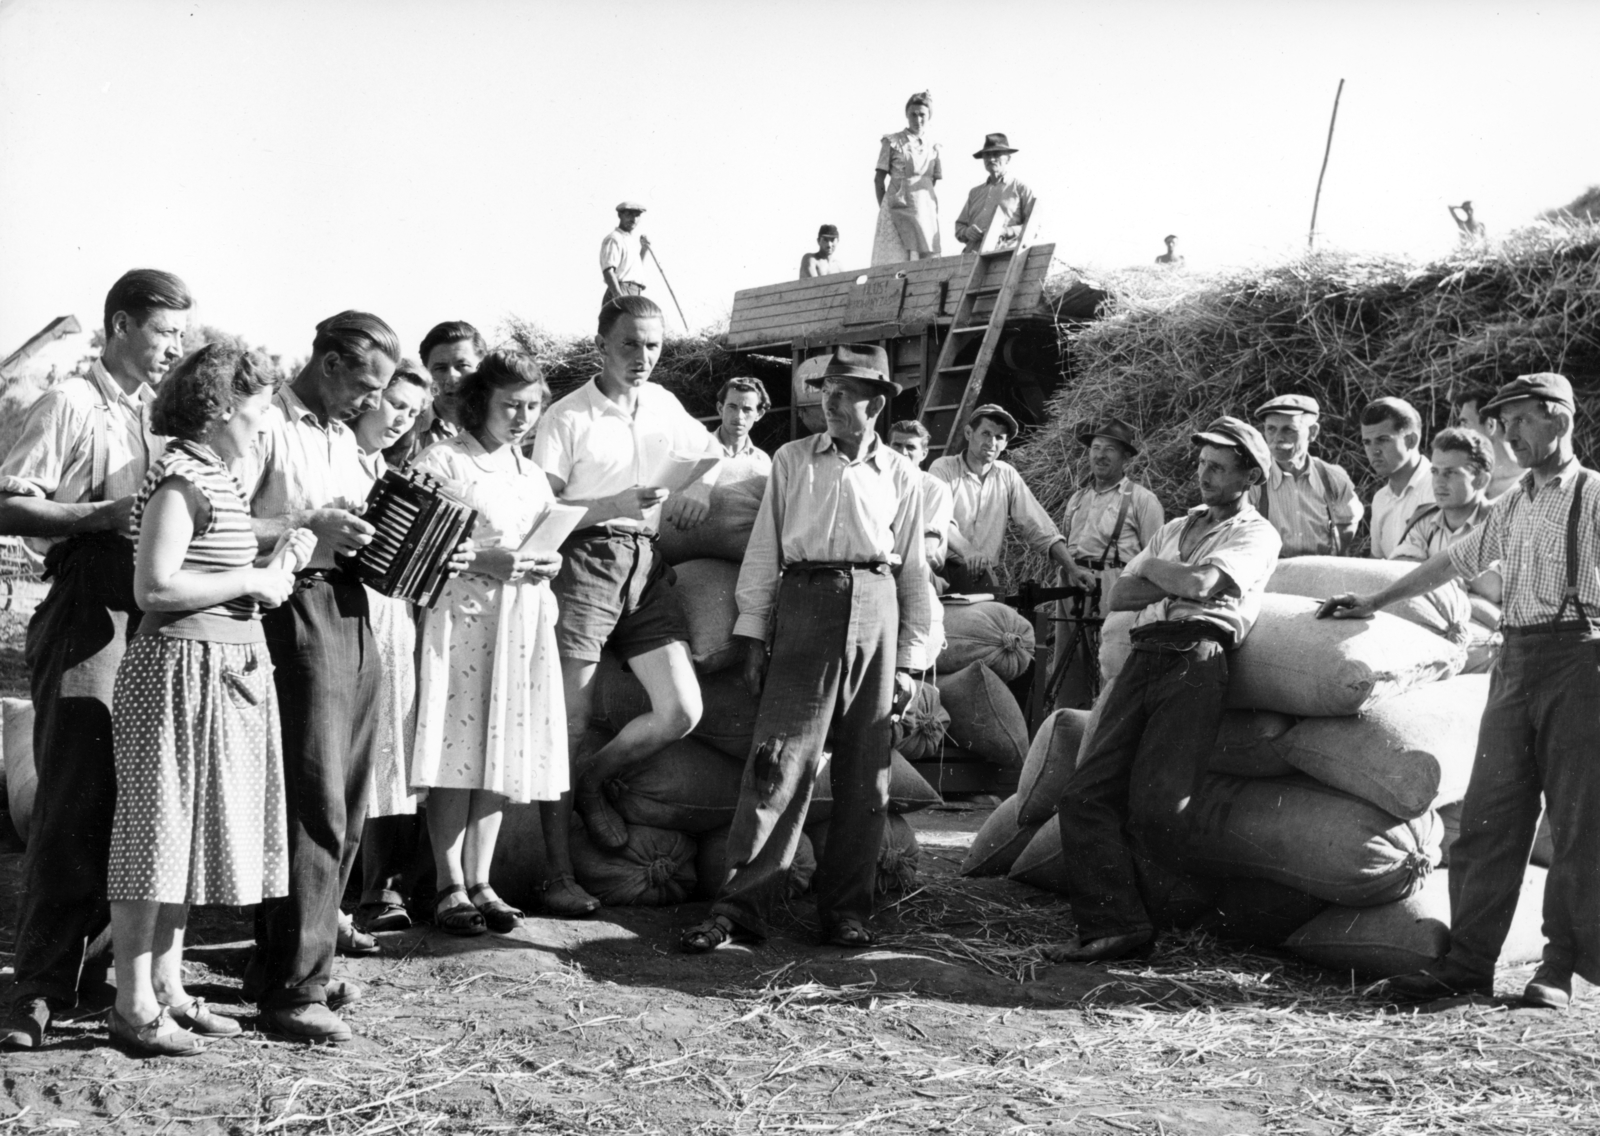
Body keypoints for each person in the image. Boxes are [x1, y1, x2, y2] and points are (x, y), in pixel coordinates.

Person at [1319, 374, 1598, 1010]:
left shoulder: (1592, 494)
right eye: (1504, 424)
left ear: (1559, 420)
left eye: (1523, 420)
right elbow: (1454, 562)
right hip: (1514, 659)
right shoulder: (1515, 503)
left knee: (1579, 823)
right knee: (1489, 818)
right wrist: (1377, 598)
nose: (1510, 435)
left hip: (1580, 660)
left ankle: (1559, 967)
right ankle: (1470, 964)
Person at [681, 344, 932, 953]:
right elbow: (765, 549)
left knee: (864, 774)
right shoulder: (794, 459)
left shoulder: (902, 474)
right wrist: (751, 633)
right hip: (805, 603)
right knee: (778, 760)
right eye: (826, 391)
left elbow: (915, 572)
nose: (830, 401)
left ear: (876, 402)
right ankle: (740, 908)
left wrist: (910, 662)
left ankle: (845, 910)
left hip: (876, 605)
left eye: (844, 392)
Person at [0, 268, 192, 1052]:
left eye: (180, 336)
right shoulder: (71, 403)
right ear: (118, 325)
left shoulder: (150, 415)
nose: (170, 348)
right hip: (84, 601)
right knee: (71, 797)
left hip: (144, 608)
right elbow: (9, 503)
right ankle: (36, 989)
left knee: (126, 802)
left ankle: (97, 977)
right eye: (160, 333)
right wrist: (101, 513)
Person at [104, 344, 313, 1056]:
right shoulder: (181, 478)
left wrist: (276, 567)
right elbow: (154, 590)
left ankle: (168, 989)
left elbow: (218, 572)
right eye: (257, 409)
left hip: (218, 669)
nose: (264, 423)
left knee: (181, 840)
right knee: (153, 837)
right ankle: (131, 1004)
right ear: (222, 407)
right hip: (177, 670)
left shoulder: (216, 474)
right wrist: (252, 583)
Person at [1046, 417, 1280, 962]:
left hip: (1198, 657)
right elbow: (1120, 595)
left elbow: (1199, 586)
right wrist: (1161, 575)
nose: (1205, 476)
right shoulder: (1177, 525)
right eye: (1201, 465)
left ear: (1249, 477)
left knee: (1157, 806)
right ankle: (1116, 923)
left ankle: (1165, 918)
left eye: (1220, 468)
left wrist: (1153, 566)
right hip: (1146, 651)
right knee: (1084, 793)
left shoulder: (1255, 533)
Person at [243, 311, 401, 1045]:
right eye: (364, 384)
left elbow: (357, 534)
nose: (371, 403)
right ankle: (292, 987)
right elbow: (214, 523)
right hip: (290, 609)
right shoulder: (266, 421)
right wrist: (308, 525)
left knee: (351, 795)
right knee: (312, 798)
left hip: (352, 608)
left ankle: (295, 960)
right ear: (330, 362)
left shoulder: (343, 438)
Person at [531, 294, 717, 914]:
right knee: (570, 723)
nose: (643, 357)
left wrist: (700, 489)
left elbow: (711, 454)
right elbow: (540, 514)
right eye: (631, 344)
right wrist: (613, 505)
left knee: (682, 709)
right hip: (585, 563)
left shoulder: (664, 403)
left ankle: (591, 781)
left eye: (654, 345)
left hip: (647, 563)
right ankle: (558, 876)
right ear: (601, 346)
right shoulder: (566, 417)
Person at [411, 351, 567, 936]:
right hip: (465, 619)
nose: (523, 416)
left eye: (532, 406)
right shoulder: (446, 461)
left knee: (504, 747)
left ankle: (482, 881)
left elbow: (545, 537)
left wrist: (547, 559)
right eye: (511, 405)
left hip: (521, 620)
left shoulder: (530, 473)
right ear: (481, 401)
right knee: (458, 749)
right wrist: (488, 559)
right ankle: (448, 884)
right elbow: (415, 547)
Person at [349, 362, 431, 935]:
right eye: (393, 404)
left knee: (385, 755)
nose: (400, 419)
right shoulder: (335, 454)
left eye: (410, 411)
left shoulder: (386, 469)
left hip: (390, 617)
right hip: (342, 616)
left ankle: (375, 890)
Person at [929, 404, 1075, 593]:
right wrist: (969, 552)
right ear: (968, 433)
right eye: (985, 433)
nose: (991, 443)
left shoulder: (1007, 474)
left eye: (999, 437)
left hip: (983, 576)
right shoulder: (943, 468)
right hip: (943, 572)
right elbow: (940, 520)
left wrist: (1073, 569)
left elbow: (1038, 525)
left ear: (1005, 444)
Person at [1392, 427, 1502, 606]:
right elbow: (1400, 568)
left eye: (1451, 473)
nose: (1439, 482)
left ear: (1481, 480)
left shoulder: (1501, 523)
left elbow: (1494, 589)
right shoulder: (1425, 518)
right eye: (1435, 472)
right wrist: (1454, 578)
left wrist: (1431, 575)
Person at [1252, 394, 1363, 557]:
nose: (1278, 438)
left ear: (1312, 432)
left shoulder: (1333, 477)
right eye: (1271, 429)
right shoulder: (1254, 481)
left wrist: (1335, 552)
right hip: (1275, 572)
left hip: (1321, 572)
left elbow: (1348, 522)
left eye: (1289, 430)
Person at [1060, 419, 1164, 592]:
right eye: (1096, 448)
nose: (1100, 455)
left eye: (1110, 449)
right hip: (1071, 584)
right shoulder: (1076, 499)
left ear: (1125, 457)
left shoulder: (1143, 500)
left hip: (1114, 586)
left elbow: (1155, 556)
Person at [384, 321, 487, 467]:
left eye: (462, 366)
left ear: (480, 368)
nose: (452, 378)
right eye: (440, 368)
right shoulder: (404, 426)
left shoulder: (496, 430)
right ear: (426, 372)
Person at [872, 92, 942, 266]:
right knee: (897, 260)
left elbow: (930, 181)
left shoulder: (933, 146)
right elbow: (878, 179)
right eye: (913, 114)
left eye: (922, 115)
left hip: (925, 210)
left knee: (926, 260)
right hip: (898, 208)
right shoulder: (893, 141)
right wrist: (886, 208)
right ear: (907, 115)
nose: (918, 119)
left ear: (929, 116)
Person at [1362, 396, 1435, 558]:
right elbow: (1377, 562)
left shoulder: (1439, 486)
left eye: (1383, 440)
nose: (1374, 451)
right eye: (1367, 442)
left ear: (1411, 440)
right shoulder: (1380, 499)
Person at [888, 420, 955, 572]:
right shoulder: (876, 484)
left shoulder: (935, 489)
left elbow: (928, 552)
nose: (902, 453)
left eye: (910, 447)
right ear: (887, 448)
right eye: (897, 445)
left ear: (923, 454)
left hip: (920, 572)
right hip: (879, 572)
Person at [952, 133, 1036, 254]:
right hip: (972, 257)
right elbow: (960, 226)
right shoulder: (974, 193)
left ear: (1008, 158)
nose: (991, 159)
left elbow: (1033, 227)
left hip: (1005, 257)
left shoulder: (1021, 189)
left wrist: (1005, 231)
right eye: (987, 155)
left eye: (996, 154)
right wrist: (967, 232)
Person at [1452, 385, 1521, 499]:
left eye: (1465, 423)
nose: (1459, 432)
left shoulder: (1528, 483)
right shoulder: (1466, 480)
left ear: (1490, 425)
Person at [711, 377, 773, 472]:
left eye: (747, 409)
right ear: (720, 409)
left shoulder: (762, 462)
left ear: (759, 414)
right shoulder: (698, 450)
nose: (739, 416)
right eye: (732, 407)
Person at [601, 201, 650, 305]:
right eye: (629, 214)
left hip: (635, 293)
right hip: (620, 291)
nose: (633, 219)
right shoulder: (614, 238)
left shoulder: (629, 241)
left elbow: (633, 271)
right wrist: (619, 297)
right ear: (620, 215)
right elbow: (608, 271)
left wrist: (644, 249)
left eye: (637, 215)